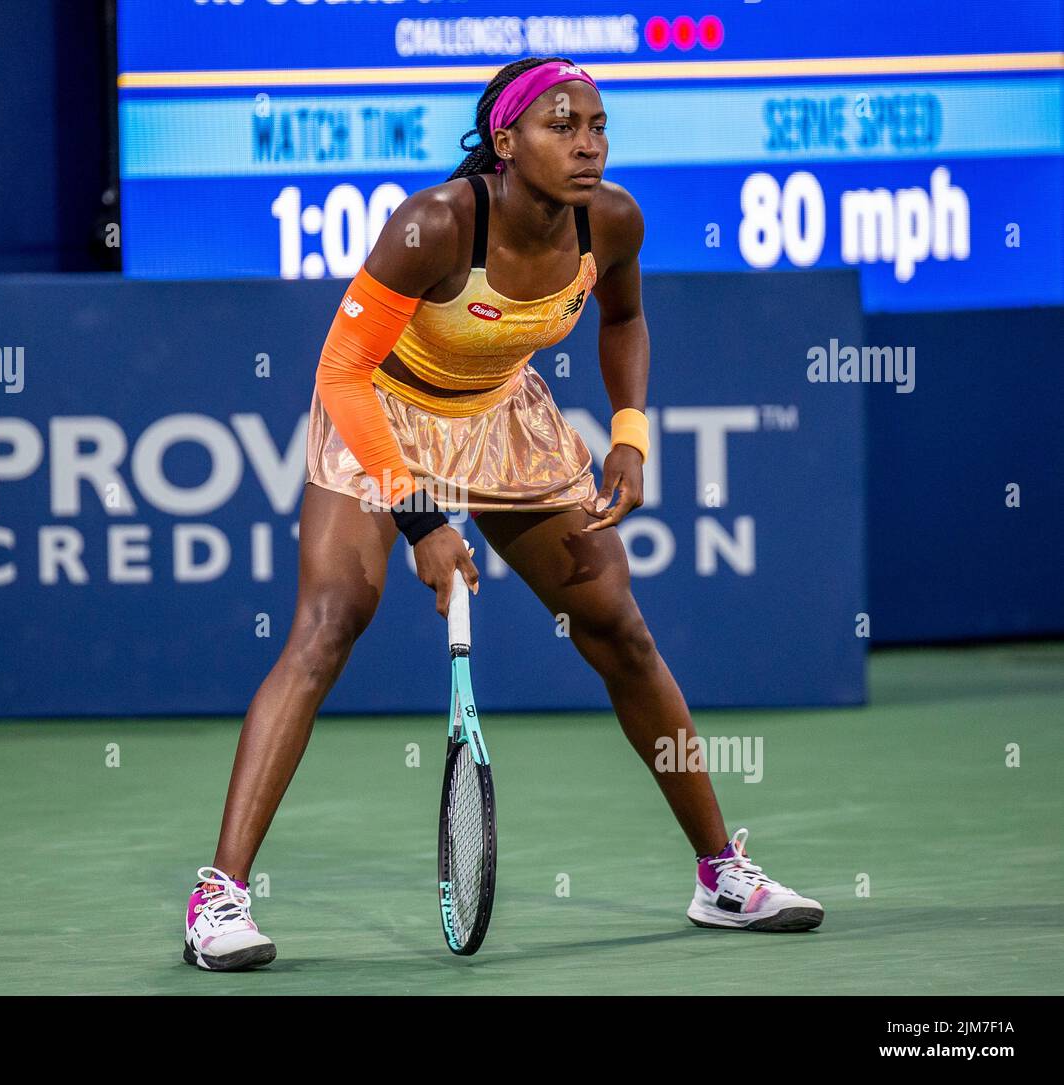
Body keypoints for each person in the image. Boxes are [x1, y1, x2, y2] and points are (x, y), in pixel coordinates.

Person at [183, 57, 824, 972]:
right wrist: (422, 519)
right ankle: (219, 897)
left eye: (598, 126)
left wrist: (631, 436)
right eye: (563, 127)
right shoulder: (433, 225)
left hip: (500, 418)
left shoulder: (613, 219)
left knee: (619, 627)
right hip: (380, 417)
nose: (588, 144)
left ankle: (722, 873)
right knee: (328, 625)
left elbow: (624, 319)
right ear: (506, 140)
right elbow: (340, 372)